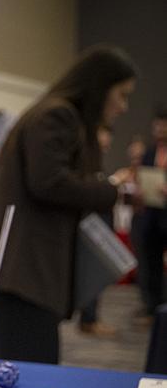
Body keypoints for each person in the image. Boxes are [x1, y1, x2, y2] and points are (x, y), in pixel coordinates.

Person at [0, 46, 136, 364]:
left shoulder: (54, 113)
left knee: (25, 368)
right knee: (30, 374)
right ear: (100, 87)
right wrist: (110, 191)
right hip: (25, 269)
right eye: (121, 95)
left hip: (24, 270)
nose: (123, 106)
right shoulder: (58, 114)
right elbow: (48, 182)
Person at [76, 126, 118, 338]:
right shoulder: (84, 161)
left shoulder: (97, 162)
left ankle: (90, 318)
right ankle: (88, 319)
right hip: (89, 224)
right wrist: (113, 185)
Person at [135, 106, 167, 322]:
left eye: (163, 125)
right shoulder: (148, 152)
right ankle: (152, 307)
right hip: (151, 215)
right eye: (156, 125)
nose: (159, 129)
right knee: (151, 261)